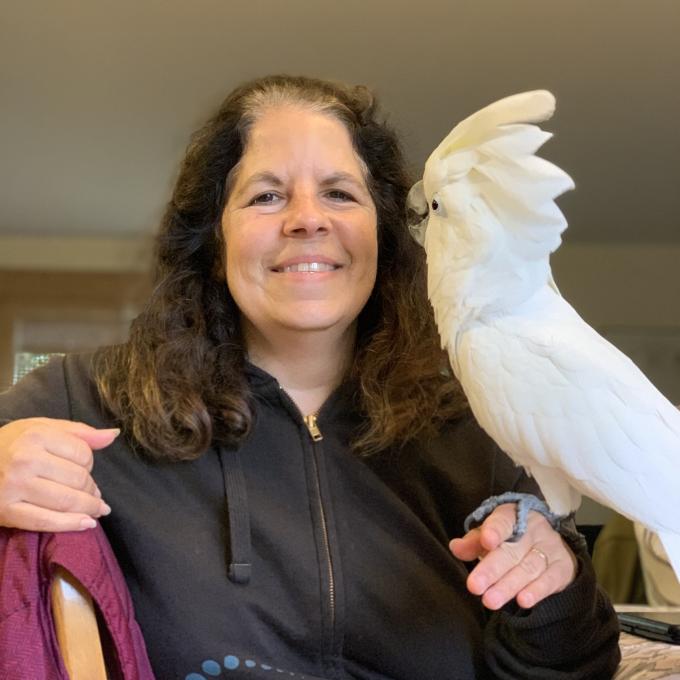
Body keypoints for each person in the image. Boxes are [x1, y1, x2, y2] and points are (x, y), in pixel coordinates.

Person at [0, 75, 620, 679]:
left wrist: (555, 585)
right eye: (266, 196)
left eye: (340, 194)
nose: (307, 219)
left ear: (382, 234)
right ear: (214, 244)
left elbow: (578, 664)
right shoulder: (90, 400)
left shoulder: (478, 424)